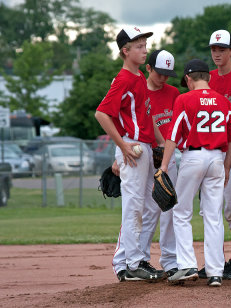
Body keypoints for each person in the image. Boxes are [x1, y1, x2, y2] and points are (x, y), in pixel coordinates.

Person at [94, 26, 165, 282]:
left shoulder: (138, 79)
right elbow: (102, 114)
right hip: (132, 147)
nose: (144, 50)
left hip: (144, 146)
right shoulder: (124, 79)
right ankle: (133, 263)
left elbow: (148, 117)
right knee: (134, 205)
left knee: (150, 205)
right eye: (138, 46)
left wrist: (161, 145)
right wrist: (122, 146)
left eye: (145, 45)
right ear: (125, 51)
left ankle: (128, 261)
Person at [160, 59, 231, 287]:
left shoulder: (184, 99)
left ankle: (187, 265)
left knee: (181, 211)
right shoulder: (224, 101)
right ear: (209, 77)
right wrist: (226, 166)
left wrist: (164, 167)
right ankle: (215, 272)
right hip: (217, 158)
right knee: (213, 215)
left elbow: (173, 135)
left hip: (193, 156)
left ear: (188, 79)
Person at [198, 29, 231, 280]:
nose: (216, 53)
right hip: (214, 151)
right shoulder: (208, 80)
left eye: (221, 49)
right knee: (210, 208)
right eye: (213, 49)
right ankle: (215, 262)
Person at [139, 49, 180, 278]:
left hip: (169, 156)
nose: (164, 78)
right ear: (148, 68)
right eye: (160, 73)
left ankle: (170, 260)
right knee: (148, 210)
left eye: (167, 74)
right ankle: (141, 259)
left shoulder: (174, 92)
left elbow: (178, 125)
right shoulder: (139, 91)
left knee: (169, 208)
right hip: (146, 156)